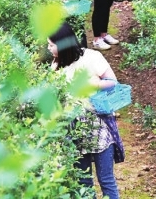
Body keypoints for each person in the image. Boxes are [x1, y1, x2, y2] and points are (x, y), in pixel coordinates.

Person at [47, 22, 124, 199]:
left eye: (51, 44)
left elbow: (113, 82)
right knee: (83, 181)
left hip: (99, 124)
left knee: (106, 179)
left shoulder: (92, 57)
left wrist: (93, 84)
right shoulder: (55, 67)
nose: (48, 48)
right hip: (74, 129)